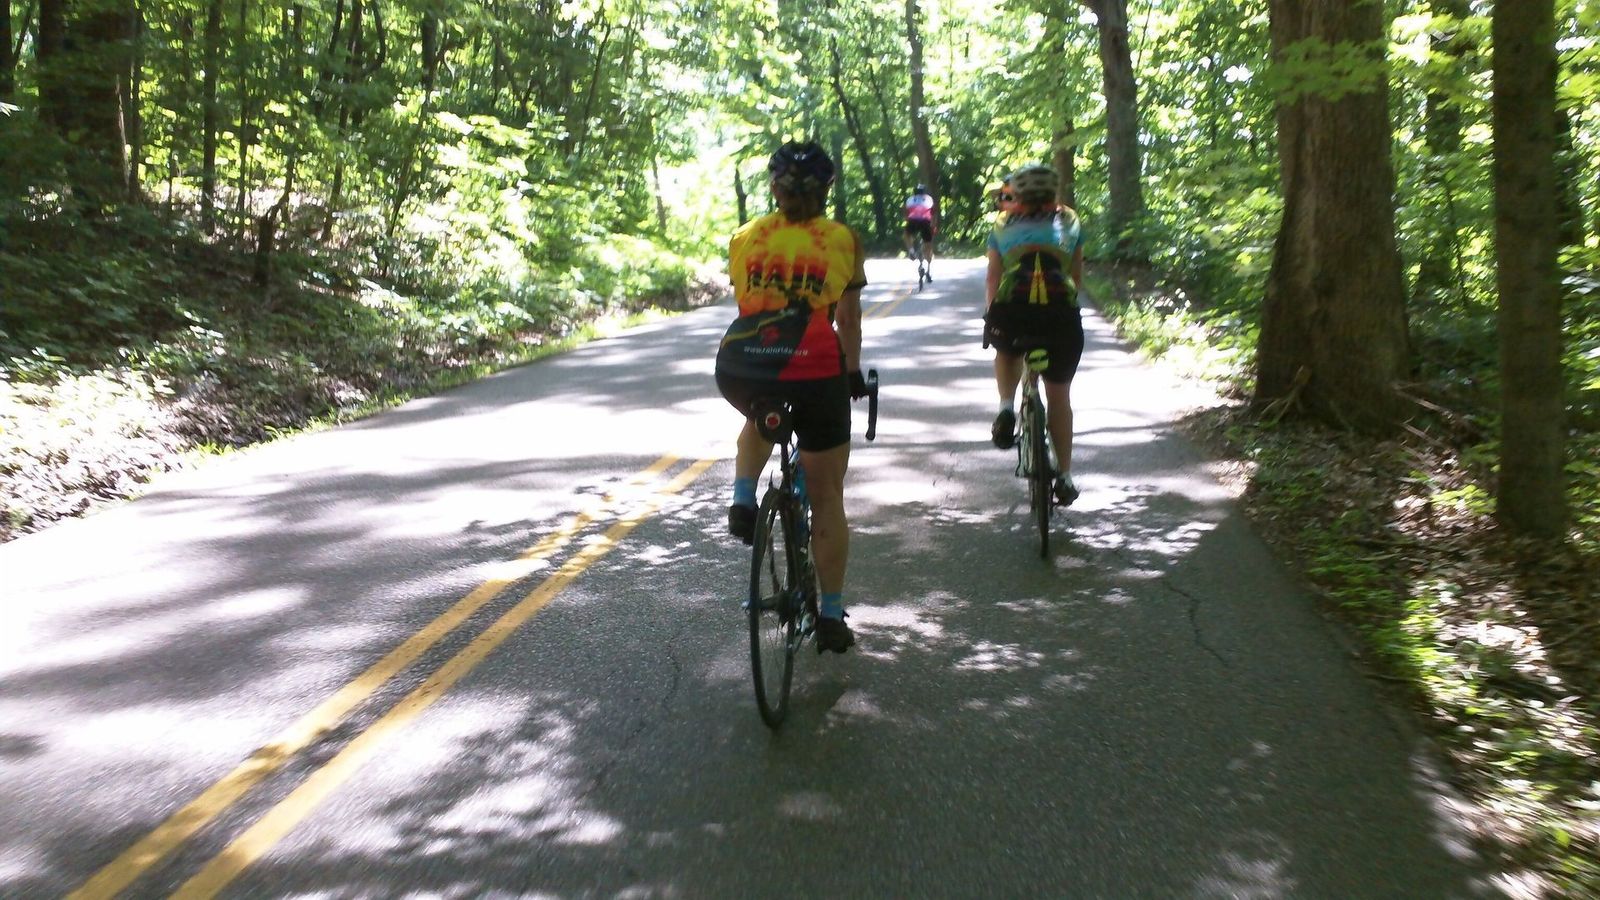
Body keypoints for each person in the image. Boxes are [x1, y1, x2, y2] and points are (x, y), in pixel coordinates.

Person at [714, 141, 870, 653]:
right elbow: (847, 318)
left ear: (773, 188)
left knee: (764, 411)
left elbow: (748, 302)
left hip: (743, 362)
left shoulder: (745, 236)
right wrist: (851, 373)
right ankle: (831, 615)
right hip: (816, 367)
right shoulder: (842, 239)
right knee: (826, 497)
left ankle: (743, 496)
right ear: (827, 189)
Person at [982, 163, 1086, 506]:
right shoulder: (1070, 221)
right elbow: (1075, 277)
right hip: (1060, 318)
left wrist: (991, 314)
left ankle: (1005, 407)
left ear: (1018, 193)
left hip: (1013, 315)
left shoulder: (1003, 224)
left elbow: (993, 278)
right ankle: (1065, 477)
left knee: (1006, 349)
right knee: (1060, 397)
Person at [901, 183, 937, 278]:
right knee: (928, 245)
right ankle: (928, 269)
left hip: (913, 221)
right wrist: (933, 226)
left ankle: (911, 251)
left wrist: (907, 220)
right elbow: (933, 214)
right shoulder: (929, 199)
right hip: (925, 222)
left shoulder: (910, 199)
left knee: (906, 234)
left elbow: (905, 213)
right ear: (924, 192)